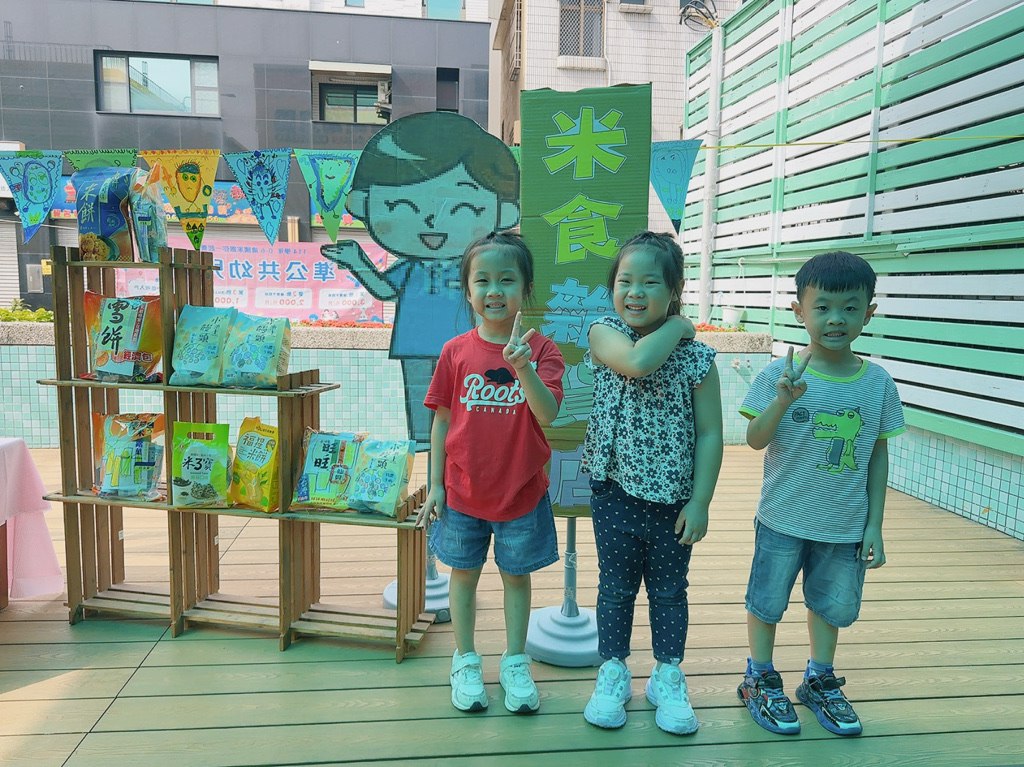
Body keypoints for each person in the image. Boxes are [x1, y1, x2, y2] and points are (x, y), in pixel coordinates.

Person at [736, 250, 905, 736]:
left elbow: (876, 454)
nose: (836, 319)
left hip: (844, 523)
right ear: (799, 311)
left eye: (850, 308)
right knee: (766, 601)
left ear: (868, 312)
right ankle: (759, 676)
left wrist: (874, 524)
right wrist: (781, 400)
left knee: (831, 604)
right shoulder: (780, 374)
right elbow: (754, 439)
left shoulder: (877, 383)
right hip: (782, 518)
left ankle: (819, 679)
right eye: (823, 307)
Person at [581, 231, 723, 735]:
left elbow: (710, 434)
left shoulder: (697, 359)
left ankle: (667, 674)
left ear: (674, 290)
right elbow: (639, 363)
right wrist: (680, 325)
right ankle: (613, 670)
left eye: (650, 283)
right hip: (615, 491)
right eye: (625, 281)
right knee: (615, 587)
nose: (635, 292)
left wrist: (701, 501)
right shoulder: (604, 333)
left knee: (668, 591)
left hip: (673, 500)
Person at [417, 231, 565, 714]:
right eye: (482, 280)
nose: (494, 290)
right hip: (462, 492)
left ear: (526, 288)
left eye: (507, 279)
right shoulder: (455, 351)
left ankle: (515, 660)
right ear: (467, 290)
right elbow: (441, 422)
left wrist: (523, 368)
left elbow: (547, 414)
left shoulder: (542, 350)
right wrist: (435, 484)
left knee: (516, 577)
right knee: (463, 575)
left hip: (521, 493)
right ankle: (464, 659)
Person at [321, 112, 521, 451]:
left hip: (465, 345)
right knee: (421, 400)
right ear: (363, 204)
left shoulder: (474, 266)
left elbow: (493, 296)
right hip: (414, 343)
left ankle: (459, 445)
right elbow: (385, 289)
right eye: (401, 205)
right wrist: (358, 262)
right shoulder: (412, 267)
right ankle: (422, 443)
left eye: (464, 208)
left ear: (502, 213)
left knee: (463, 402)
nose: (432, 222)